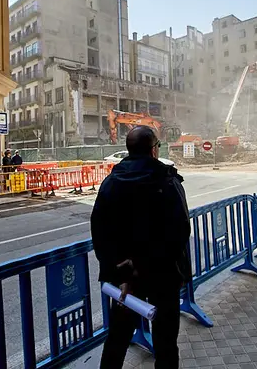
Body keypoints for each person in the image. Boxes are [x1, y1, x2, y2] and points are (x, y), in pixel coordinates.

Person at [91, 126, 191, 369]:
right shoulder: (167, 180)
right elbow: (180, 230)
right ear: (154, 149)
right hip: (163, 275)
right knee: (166, 342)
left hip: (127, 278)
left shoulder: (112, 182)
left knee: (117, 339)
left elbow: (100, 232)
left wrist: (122, 270)